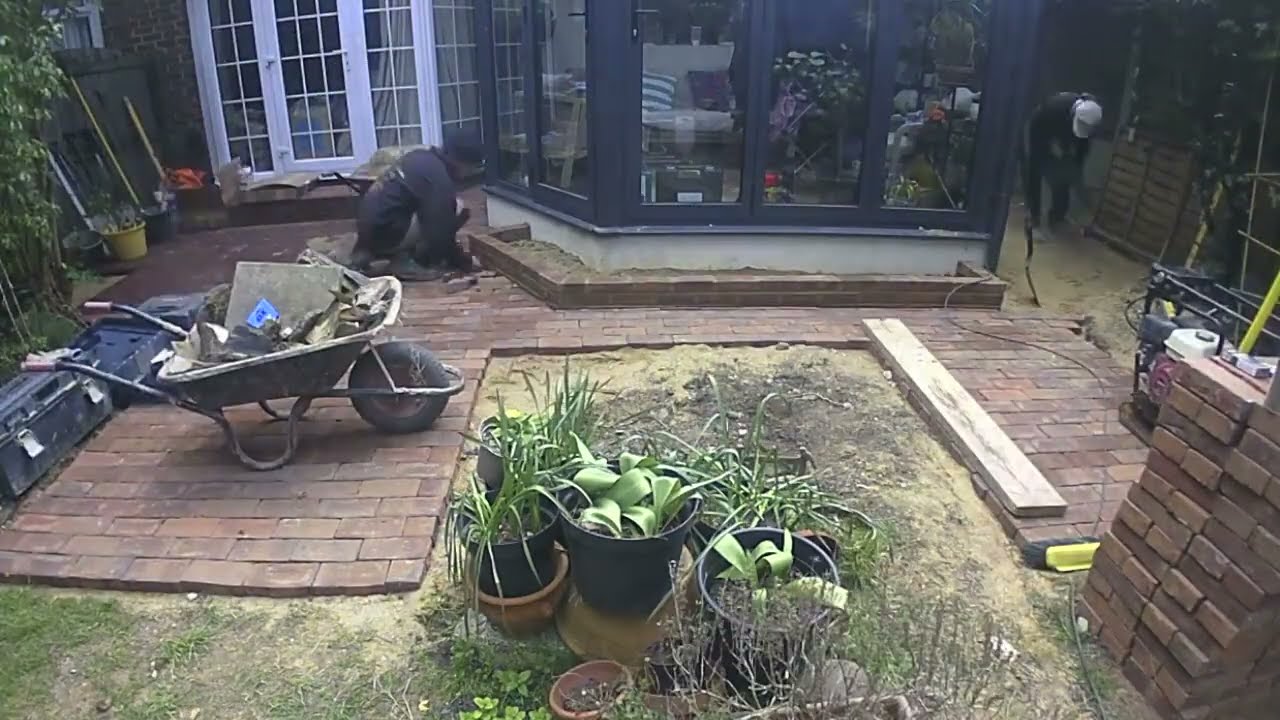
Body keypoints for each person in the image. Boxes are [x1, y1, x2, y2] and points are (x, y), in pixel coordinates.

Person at [349, 134, 484, 276]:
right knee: (455, 207)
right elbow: (441, 227)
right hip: (386, 232)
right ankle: (404, 261)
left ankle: (365, 252)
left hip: (368, 229)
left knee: (423, 206)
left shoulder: (419, 156)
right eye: (472, 168)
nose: (468, 174)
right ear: (462, 163)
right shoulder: (438, 178)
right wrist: (460, 261)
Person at [1025, 92, 1102, 228]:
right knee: (1035, 168)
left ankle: (1058, 215)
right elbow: (1043, 139)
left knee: (1066, 172)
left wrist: (1074, 169)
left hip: (1067, 130)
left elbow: (1081, 150)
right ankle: (1033, 213)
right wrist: (1055, 151)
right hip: (1041, 126)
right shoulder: (1053, 109)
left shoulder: (1092, 115)